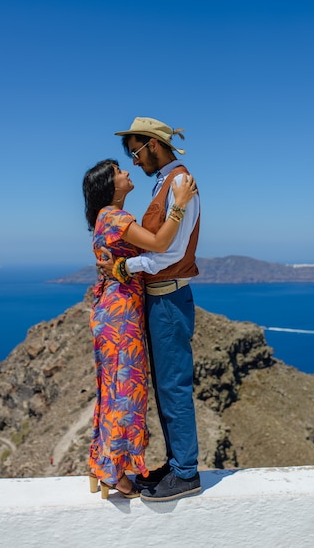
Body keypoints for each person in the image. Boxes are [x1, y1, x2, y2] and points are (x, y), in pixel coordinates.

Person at [97, 116, 201, 502]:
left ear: (153, 146)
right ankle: (177, 466)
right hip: (161, 297)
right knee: (165, 386)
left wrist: (126, 266)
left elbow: (168, 250)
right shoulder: (165, 184)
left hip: (169, 296)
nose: (134, 161)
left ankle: (186, 472)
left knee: (173, 385)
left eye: (135, 151)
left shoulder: (178, 183)